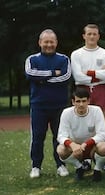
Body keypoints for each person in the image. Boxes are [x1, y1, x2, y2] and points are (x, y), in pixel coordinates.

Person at [25, 29, 71, 178]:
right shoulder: (32, 59)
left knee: (60, 137)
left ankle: (61, 165)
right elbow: (30, 74)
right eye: (46, 42)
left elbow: (65, 77)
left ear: (56, 43)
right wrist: (52, 73)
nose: (49, 44)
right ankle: (36, 166)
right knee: (38, 137)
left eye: (52, 42)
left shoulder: (64, 59)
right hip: (38, 105)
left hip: (60, 105)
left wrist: (42, 79)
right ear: (40, 43)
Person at [70, 24, 105, 172]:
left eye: (95, 34)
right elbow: (77, 75)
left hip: (101, 89)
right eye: (89, 34)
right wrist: (97, 74)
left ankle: (101, 159)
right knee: (81, 124)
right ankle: (85, 158)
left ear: (98, 36)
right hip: (82, 90)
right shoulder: (76, 54)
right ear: (84, 36)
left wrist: (88, 73)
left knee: (102, 124)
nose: (92, 36)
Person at [56, 88, 105, 181]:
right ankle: (79, 167)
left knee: (103, 146)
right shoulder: (66, 113)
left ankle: (97, 169)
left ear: (88, 101)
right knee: (60, 150)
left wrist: (86, 143)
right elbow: (61, 135)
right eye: (78, 101)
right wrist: (72, 145)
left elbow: (102, 134)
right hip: (75, 147)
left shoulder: (96, 111)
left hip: (92, 146)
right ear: (73, 102)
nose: (81, 104)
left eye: (84, 101)